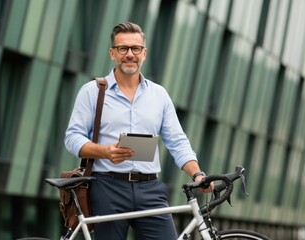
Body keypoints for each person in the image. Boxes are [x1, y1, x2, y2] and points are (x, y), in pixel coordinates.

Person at [65, 22, 211, 240]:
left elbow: (177, 141)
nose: (130, 54)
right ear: (112, 53)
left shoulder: (159, 95)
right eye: (123, 48)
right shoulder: (92, 92)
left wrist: (198, 174)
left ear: (145, 53)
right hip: (107, 187)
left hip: (150, 188)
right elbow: (72, 138)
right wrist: (105, 152)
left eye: (136, 49)